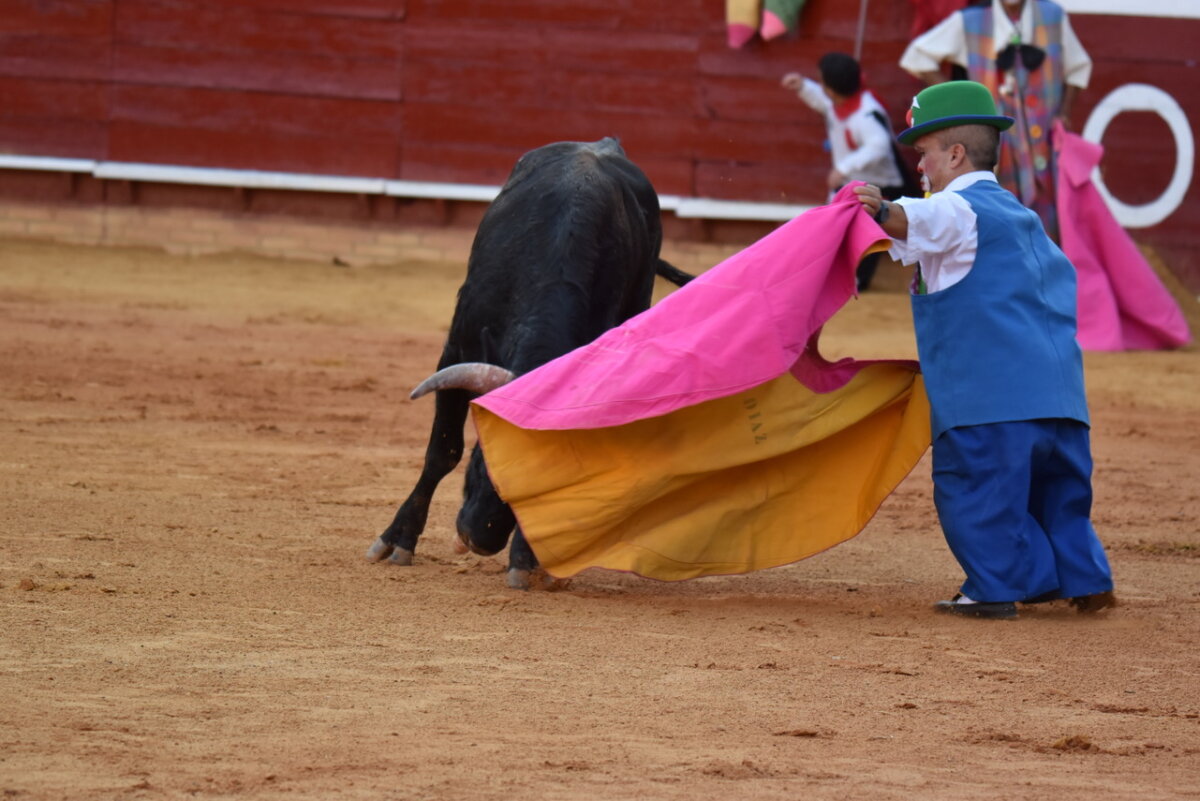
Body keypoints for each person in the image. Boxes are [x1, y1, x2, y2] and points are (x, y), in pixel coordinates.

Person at [853, 81, 1116, 620]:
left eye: (924, 153)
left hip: (989, 404)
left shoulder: (956, 209)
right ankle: (1084, 580)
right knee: (1057, 497)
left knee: (977, 492)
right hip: (1063, 403)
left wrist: (876, 207)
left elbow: (914, 221)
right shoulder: (1025, 220)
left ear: (955, 153)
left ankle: (992, 589)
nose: (919, 167)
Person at [898, 0, 1092, 240]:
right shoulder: (970, 22)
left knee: (1049, 210)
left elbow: (1078, 67)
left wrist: (1063, 111)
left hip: (1043, 137)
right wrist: (958, 100)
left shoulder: (1053, 16)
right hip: (996, 135)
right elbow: (917, 57)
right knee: (997, 206)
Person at [782, 52, 917, 291]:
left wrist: (844, 167)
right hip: (852, 186)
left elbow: (879, 146)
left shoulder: (867, 114)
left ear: (833, 90)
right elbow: (824, 102)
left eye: (822, 83)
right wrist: (803, 87)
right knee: (829, 231)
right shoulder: (840, 103)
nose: (822, 88)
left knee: (862, 237)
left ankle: (849, 280)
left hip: (880, 188)